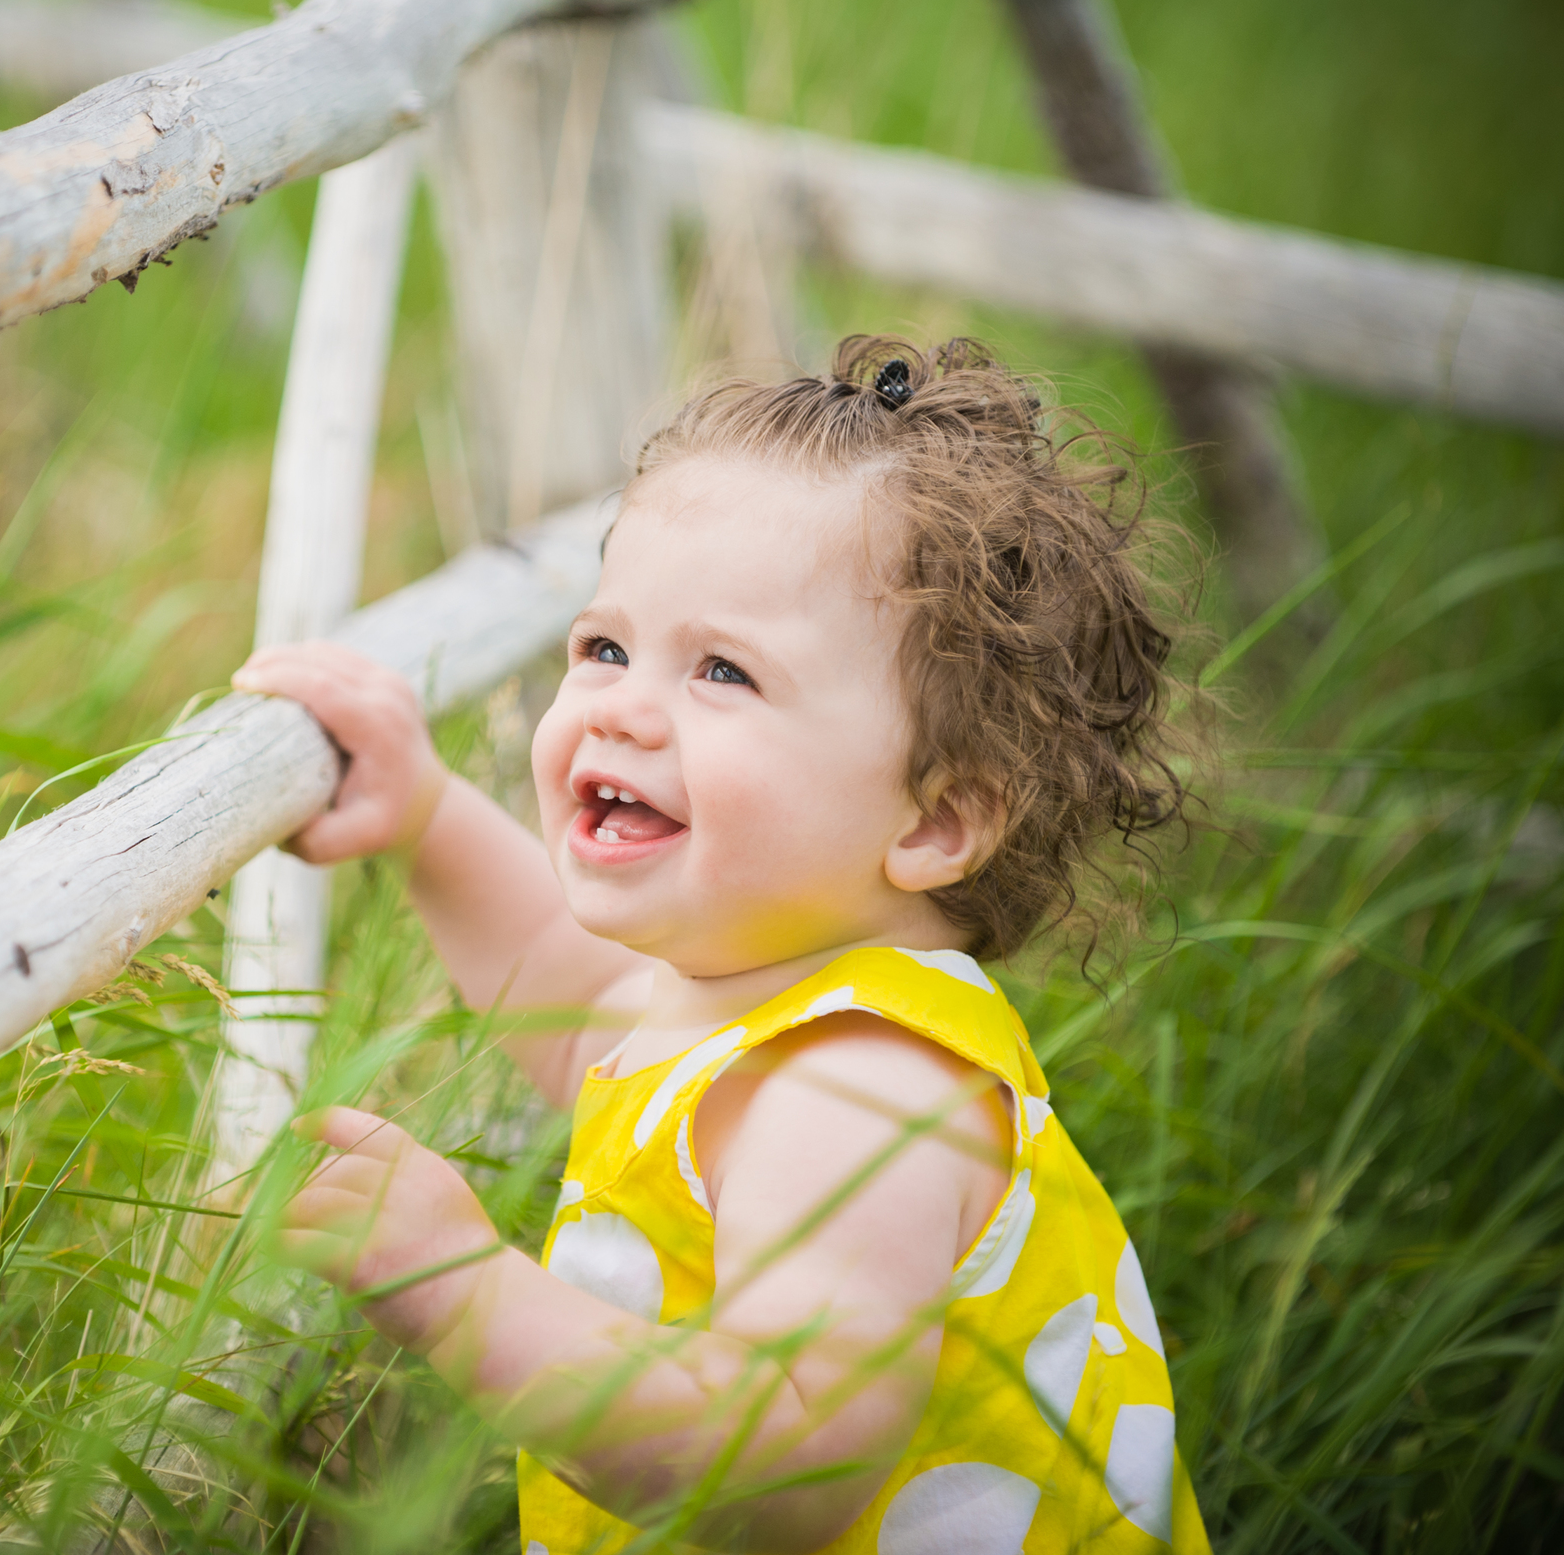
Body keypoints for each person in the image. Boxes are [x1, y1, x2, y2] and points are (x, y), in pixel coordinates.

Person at [233, 335, 1210, 1554]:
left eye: (723, 671)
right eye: (602, 646)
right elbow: (579, 1004)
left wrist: (464, 1288)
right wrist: (424, 816)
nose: (620, 705)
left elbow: (789, 1462)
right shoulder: (745, 996)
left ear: (936, 817)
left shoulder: (862, 1088)